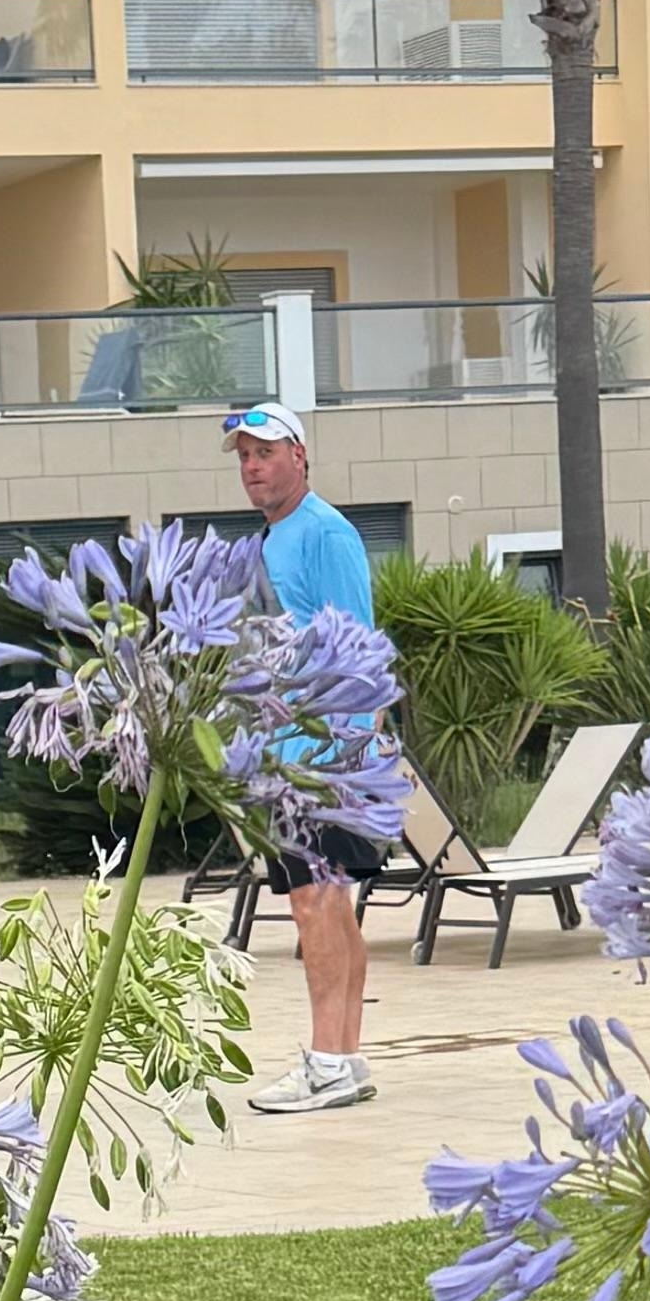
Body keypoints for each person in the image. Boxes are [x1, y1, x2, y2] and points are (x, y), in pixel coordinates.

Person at [225, 399, 382, 1115]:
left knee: (311, 906)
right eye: (244, 456)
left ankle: (324, 1065)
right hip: (280, 754)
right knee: (328, 908)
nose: (253, 467)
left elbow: (357, 647)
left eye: (264, 452)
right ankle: (341, 1061)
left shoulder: (325, 532)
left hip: (316, 758)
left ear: (299, 455)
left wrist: (334, 756)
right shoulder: (270, 540)